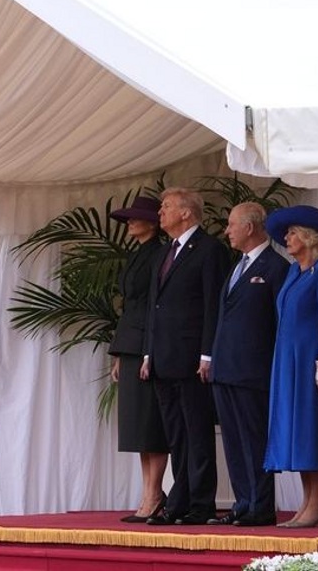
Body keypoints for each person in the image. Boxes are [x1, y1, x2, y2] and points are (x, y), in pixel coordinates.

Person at [143, 187, 228, 526]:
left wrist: (208, 354)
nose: (160, 212)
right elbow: (155, 307)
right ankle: (180, 500)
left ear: (186, 212)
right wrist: (148, 353)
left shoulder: (209, 250)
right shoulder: (165, 252)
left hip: (193, 358)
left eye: (166, 206)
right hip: (163, 357)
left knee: (197, 431)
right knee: (177, 435)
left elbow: (212, 305)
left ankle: (201, 503)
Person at [263, 205, 318, 528]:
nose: (286, 238)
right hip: (287, 361)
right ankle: (309, 502)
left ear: (309, 237)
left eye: (292, 233)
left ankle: (317, 503)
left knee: (314, 427)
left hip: (312, 359)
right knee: (296, 431)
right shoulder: (293, 272)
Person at [207, 202, 288, 527]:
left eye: (231, 224)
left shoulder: (276, 267)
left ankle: (260, 506)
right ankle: (243, 503)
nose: (226, 230)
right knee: (234, 441)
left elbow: (280, 323)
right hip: (226, 368)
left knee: (254, 439)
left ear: (250, 227)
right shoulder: (237, 266)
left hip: (254, 370)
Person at [106, 195, 169, 523]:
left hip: (148, 344)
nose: (129, 222)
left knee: (150, 423)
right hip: (130, 344)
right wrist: (119, 352)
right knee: (136, 428)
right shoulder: (137, 255)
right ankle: (148, 493)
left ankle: (154, 494)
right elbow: (129, 307)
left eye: (136, 217)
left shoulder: (161, 254)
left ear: (153, 223)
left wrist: (148, 350)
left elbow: (156, 308)